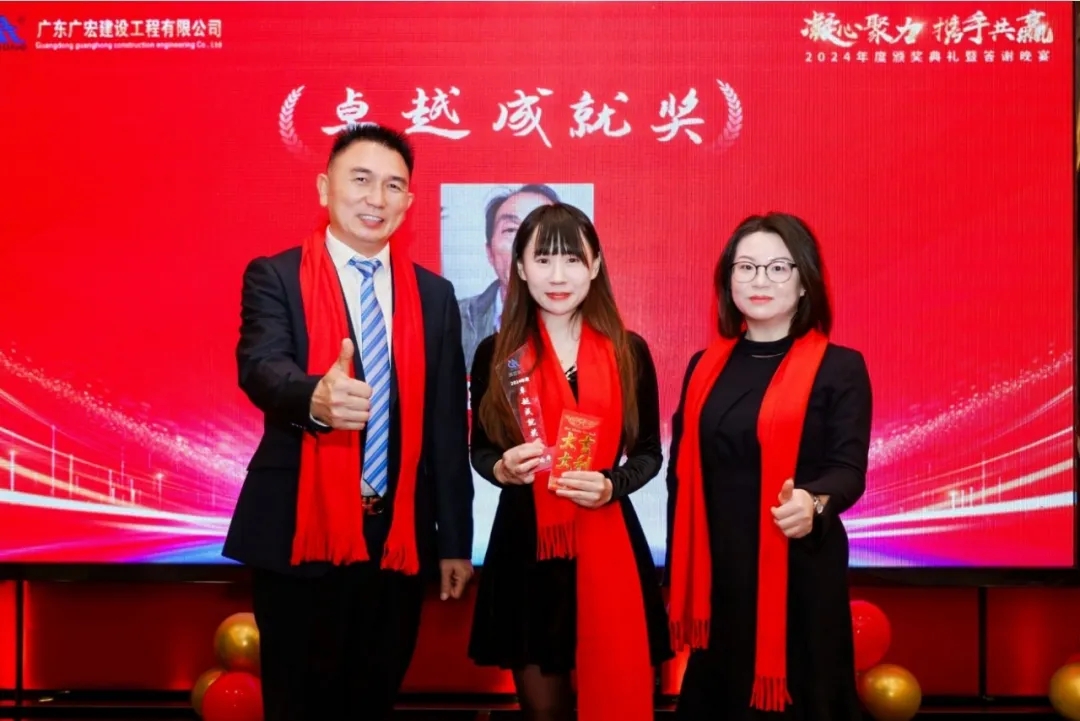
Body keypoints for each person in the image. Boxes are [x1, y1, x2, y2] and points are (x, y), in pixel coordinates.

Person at [222, 124, 475, 720]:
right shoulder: (276, 276)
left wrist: (455, 543)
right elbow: (261, 365)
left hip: (397, 541)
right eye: (360, 180)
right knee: (297, 703)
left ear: (408, 202)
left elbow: (445, 428)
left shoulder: (434, 296)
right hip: (298, 531)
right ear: (324, 188)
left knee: (372, 699)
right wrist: (314, 397)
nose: (376, 198)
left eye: (393, 186)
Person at [467, 203, 672, 721]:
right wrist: (501, 469)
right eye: (542, 260)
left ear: (595, 265)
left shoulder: (628, 351)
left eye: (572, 260)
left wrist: (611, 484)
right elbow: (480, 450)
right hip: (526, 549)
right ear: (519, 267)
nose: (557, 277)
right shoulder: (498, 353)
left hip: (609, 537)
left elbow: (649, 452)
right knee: (545, 713)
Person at [666, 212, 872, 720]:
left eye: (778, 268)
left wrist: (812, 501)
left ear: (804, 282)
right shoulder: (703, 366)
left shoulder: (840, 367)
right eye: (746, 268)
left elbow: (847, 470)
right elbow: (680, 476)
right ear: (728, 280)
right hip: (719, 578)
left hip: (798, 574)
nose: (760, 281)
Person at [458, 184, 560, 369]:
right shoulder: (457, 319)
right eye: (511, 230)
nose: (527, 242)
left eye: (543, 229)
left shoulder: (590, 326)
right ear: (490, 252)